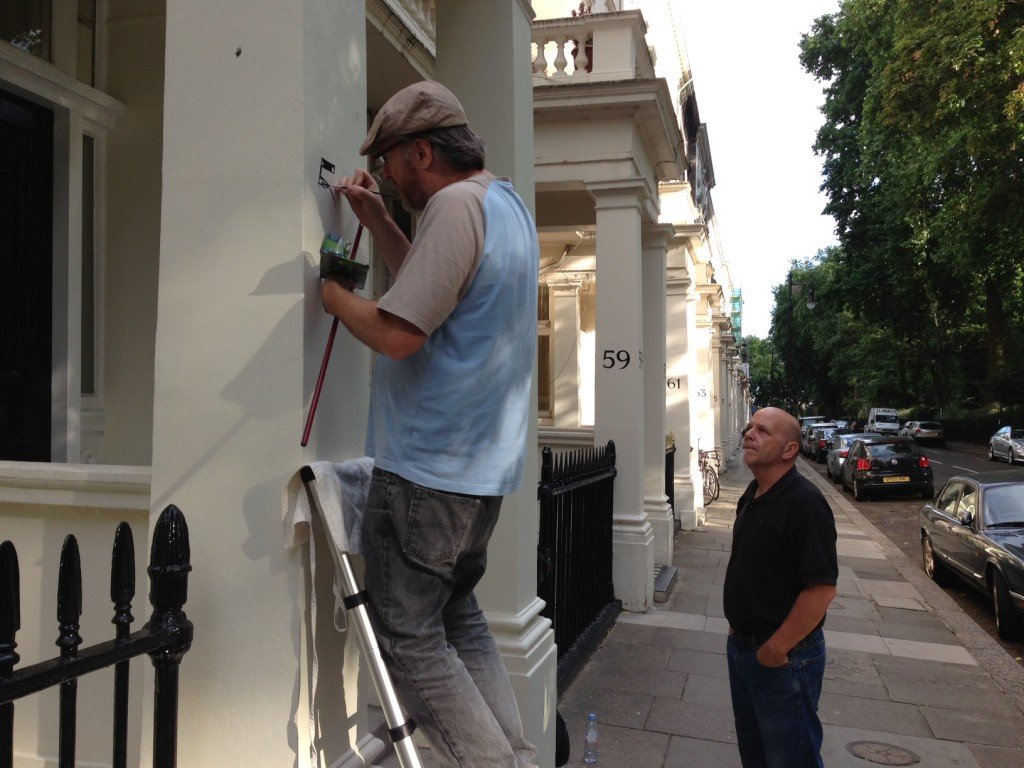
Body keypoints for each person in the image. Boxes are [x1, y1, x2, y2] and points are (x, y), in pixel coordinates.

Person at [322, 80, 539, 768]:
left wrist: (332, 295)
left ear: (422, 151)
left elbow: (398, 333)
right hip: (478, 480)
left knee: (409, 638)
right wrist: (377, 216)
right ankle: (516, 753)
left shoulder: (451, 205)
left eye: (387, 160)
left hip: (426, 474)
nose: (385, 174)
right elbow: (429, 285)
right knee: (457, 620)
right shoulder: (503, 205)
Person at [723, 407, 838, 768]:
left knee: (792, 760)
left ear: (789, 450)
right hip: (744, 649)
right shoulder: (754, 493)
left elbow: (821, 590)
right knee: (755, 757)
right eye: (750, 427)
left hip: (785, 659)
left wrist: (775, 648)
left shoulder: (805, 503)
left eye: (763, 430)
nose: (749, 434)